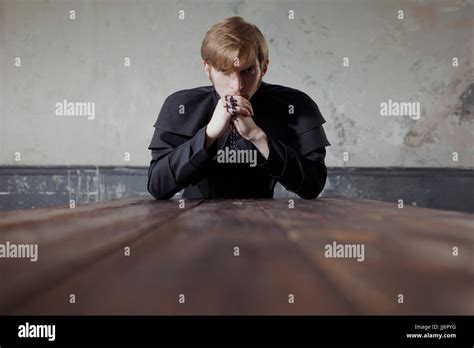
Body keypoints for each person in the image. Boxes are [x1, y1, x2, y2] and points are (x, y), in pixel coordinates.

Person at [147, 16, 330, 200]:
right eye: (225, 72)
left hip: (265, 223)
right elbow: (158, 186)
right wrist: (208, 135)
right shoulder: (181, 106)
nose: (237, 85)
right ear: (207, 69)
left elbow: (312, 186)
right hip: (193, 224)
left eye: (247, 71)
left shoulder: (295, 105)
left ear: (264, 67)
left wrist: (259, 138)